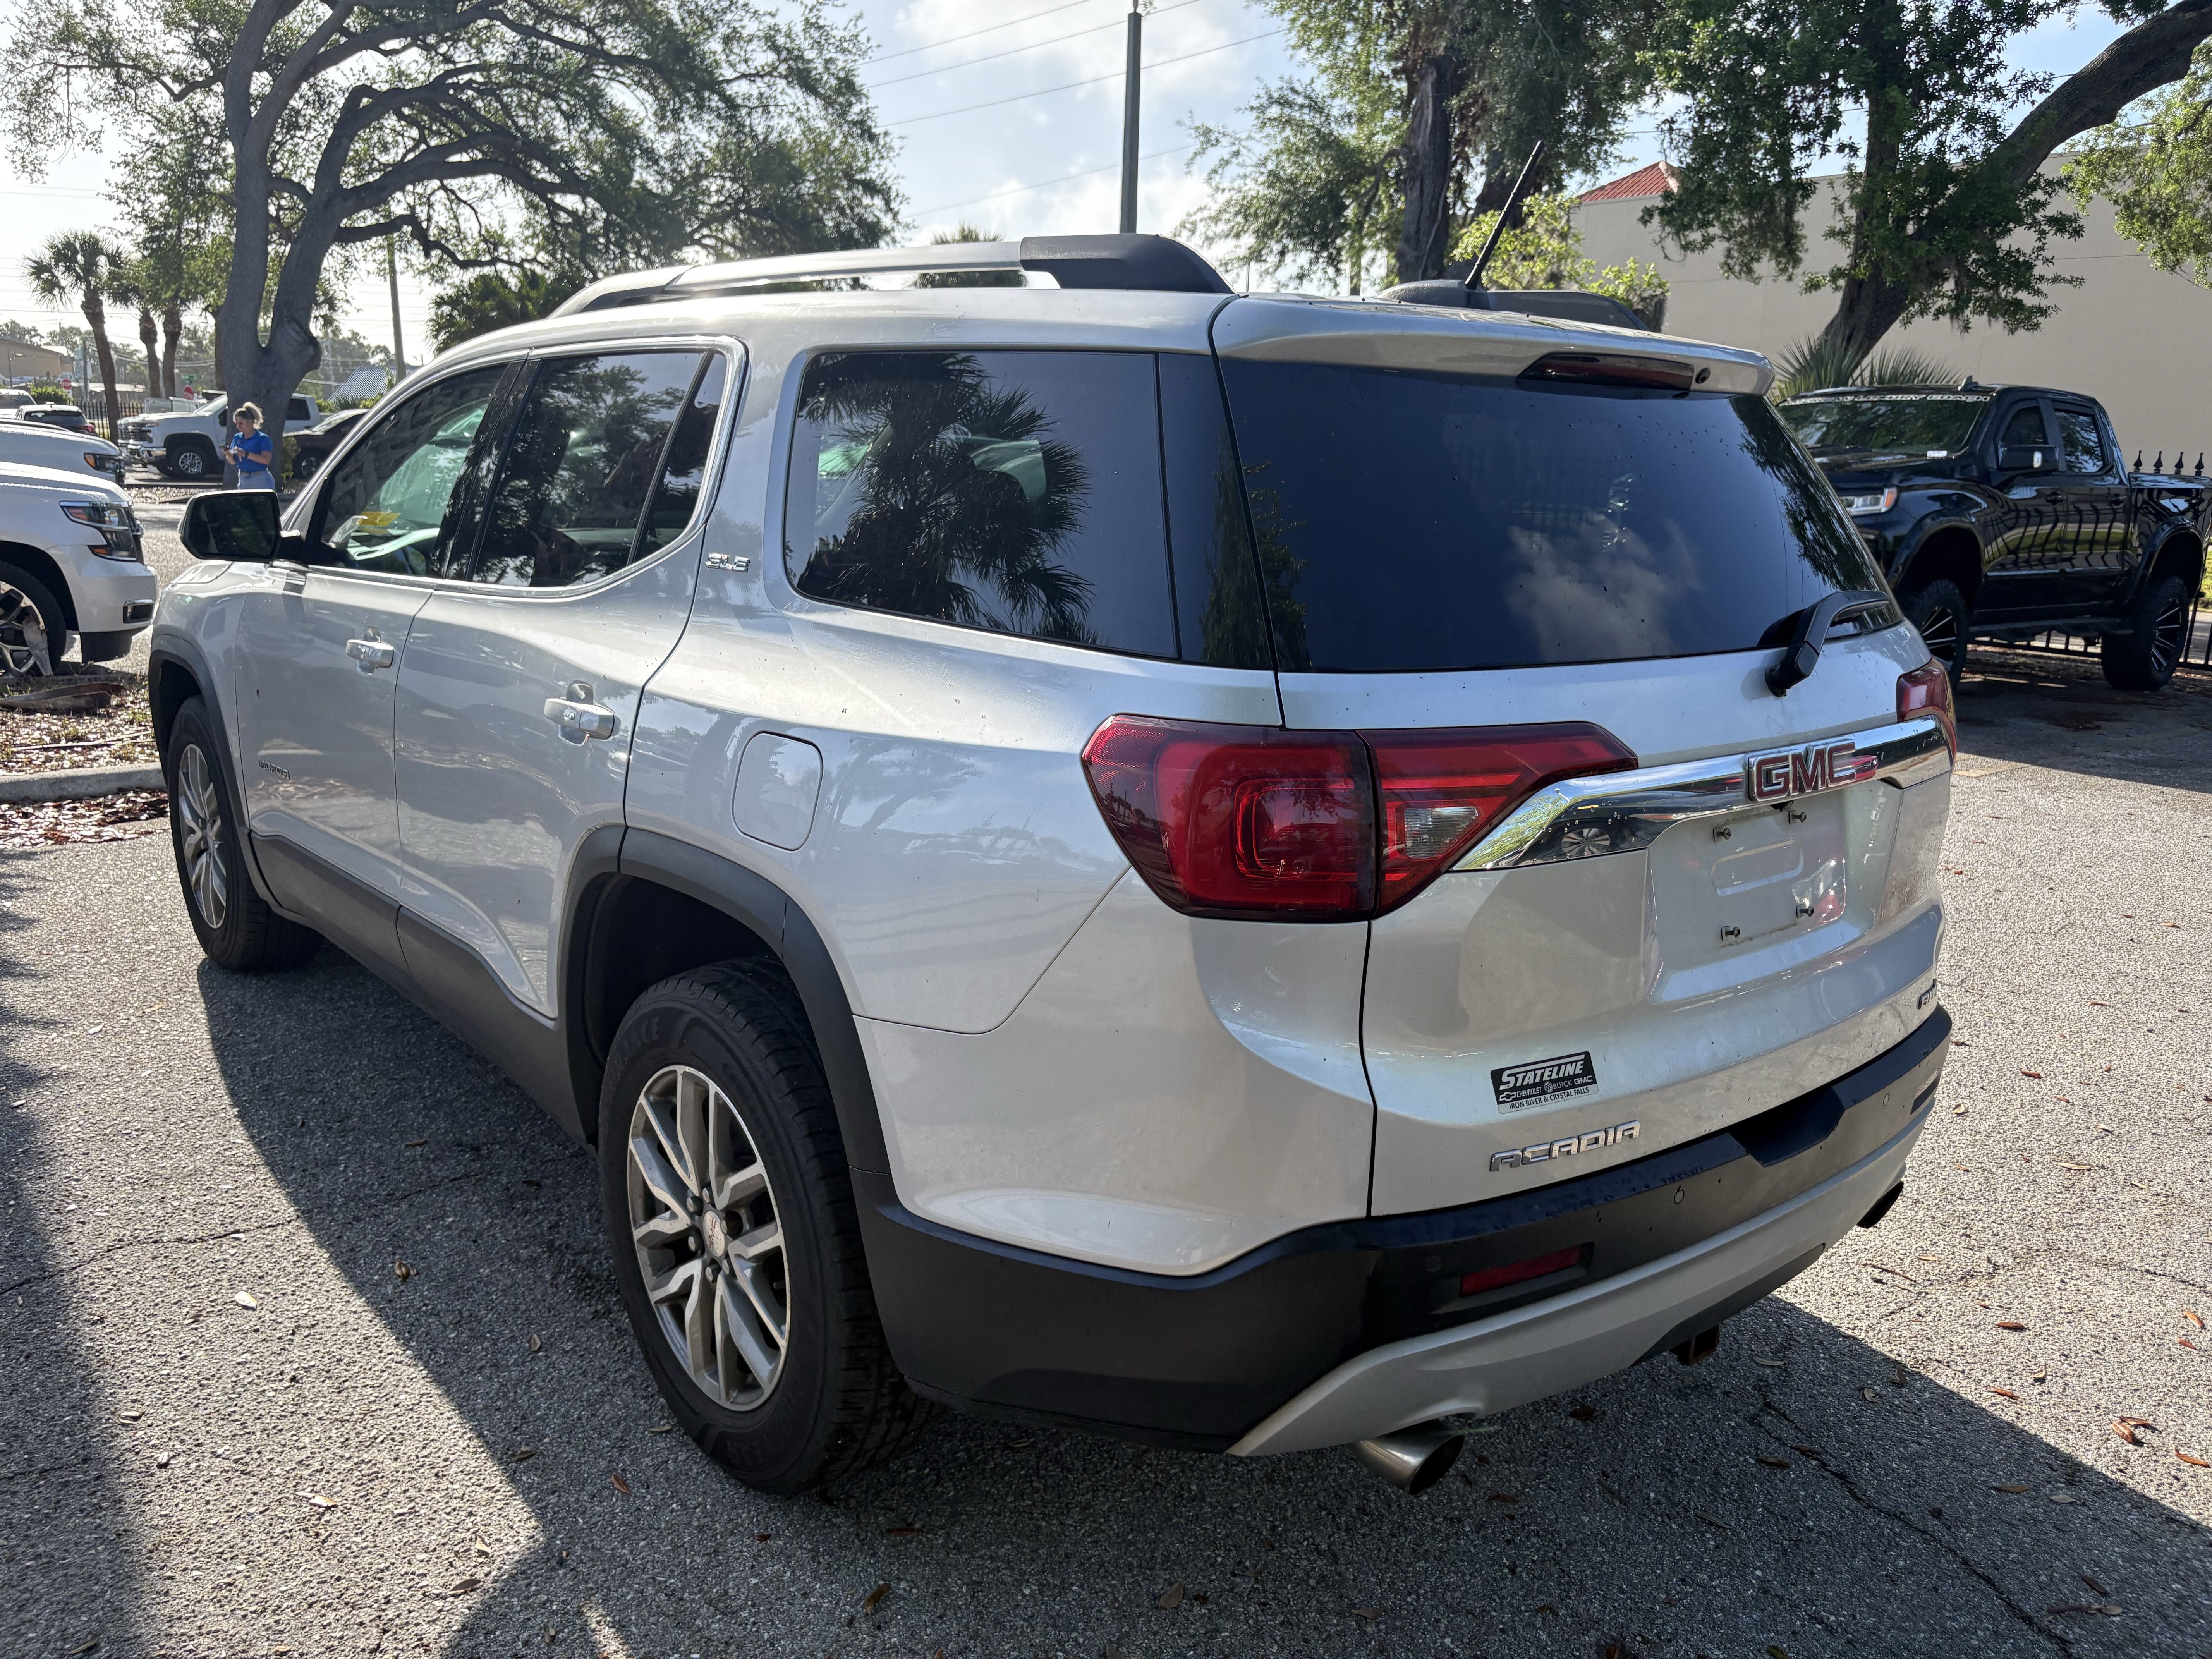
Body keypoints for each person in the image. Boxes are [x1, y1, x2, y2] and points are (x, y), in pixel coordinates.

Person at [228, 404, 276, 490]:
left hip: (260, 479)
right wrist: (229, 456)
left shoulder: (262, 438)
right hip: (243, 479)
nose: (239, 427)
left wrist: (245, 454)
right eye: (237, 424)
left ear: (251, 422)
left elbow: (266, 460)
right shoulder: (237, 438)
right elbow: (234, 462)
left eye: (241, 424)